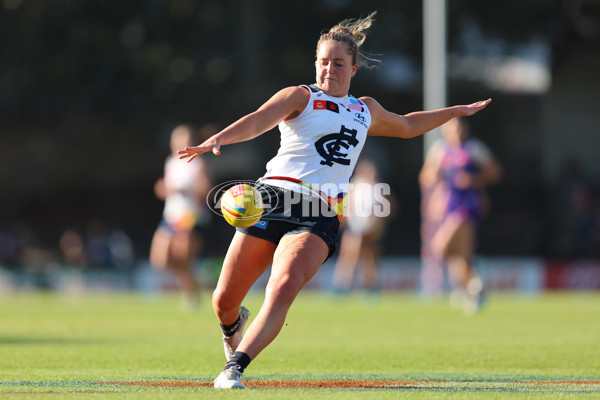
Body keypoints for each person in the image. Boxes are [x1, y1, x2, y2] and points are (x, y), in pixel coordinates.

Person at [178, 12, 491, 389]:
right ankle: (232, 326)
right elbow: (260, 119)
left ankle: (235, 368)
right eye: (323, 62)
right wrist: (219, 140)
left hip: (318, 212)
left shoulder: (364, 109)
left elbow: (408, 125)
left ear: (354, 69)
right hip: (271, 199)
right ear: (315, 63)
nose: (329, 69)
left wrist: (455, 111)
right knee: (223, 301)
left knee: (283, 285)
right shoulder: (300, 96)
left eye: (338, 63)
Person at [419, 117, 502, 314]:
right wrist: (435, 185)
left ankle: (472, 288)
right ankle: (473, 288)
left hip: (468, 204)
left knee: (440, 247)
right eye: (451, 128)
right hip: (448, 205)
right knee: (461, 253)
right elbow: (426, 176)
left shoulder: (474, 148)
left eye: (458, 127)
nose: (455, 132)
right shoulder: (440, 150)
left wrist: (473, 180)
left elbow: (495, 172)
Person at [150, 124, 213, 311]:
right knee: (160, 259)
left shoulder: (197, 163)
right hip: (171, 216)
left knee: (184, 259)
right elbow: (165, 187)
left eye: (185, 139)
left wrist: (184, 190)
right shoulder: (170, 162)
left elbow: (207, 189)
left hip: (190, 217)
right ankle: (195, 285)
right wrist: (162, 188)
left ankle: (191, 295)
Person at [332, 159, 390, 295]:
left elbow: (388, 209)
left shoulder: (377, 188)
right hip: (355, 226)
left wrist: (376, 222)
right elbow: (348, 207)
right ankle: (370, 286)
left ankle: (344, 283)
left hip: (370, 228)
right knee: (364, 256)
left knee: (354, 251)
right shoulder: (355, 187)